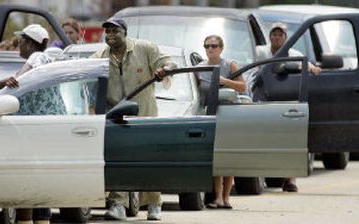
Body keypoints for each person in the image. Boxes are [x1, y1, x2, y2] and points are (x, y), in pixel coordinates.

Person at [90, 18, 176, 221]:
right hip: (117, 118)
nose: (110, 35)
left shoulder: (144, 48)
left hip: (145, 116)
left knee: (148, 161)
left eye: (115, 31)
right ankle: (117, 205)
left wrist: (165, 69)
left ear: (125, 33)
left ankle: (154, 204)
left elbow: (169, 62)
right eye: (107, 32)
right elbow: (85, 72)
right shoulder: (100, 56)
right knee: (118, 161)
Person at [0, 24, 53, 224]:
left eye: (21, 42)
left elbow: (19, 78)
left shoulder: (37, 57)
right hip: (44, 128)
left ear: (30, 43)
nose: (18, 46)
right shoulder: (47, 58)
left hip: (34, 129)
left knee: (27, 181)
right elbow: (18, 78)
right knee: (37, 183)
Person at [256, 22, 321, 193]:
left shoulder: (294, 53)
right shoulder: (259, 51)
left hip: (286, 101)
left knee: (291, 140)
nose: (277, 37)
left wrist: (313, 68)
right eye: (274, 34)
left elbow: (304, 65)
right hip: (262, 101)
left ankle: (290, 180)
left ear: (286, 38)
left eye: (280, 34)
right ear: (269, 36)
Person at [197, 35, 246, 209]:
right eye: (207, 46)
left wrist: (225, 81)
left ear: (221, 48)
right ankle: (218, 197)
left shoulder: (229, 65)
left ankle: (226, 197)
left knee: (229, 155)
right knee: (217, 156)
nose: (210, 49)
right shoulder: (198, 68)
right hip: (211, 114)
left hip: (231, 115)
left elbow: (243, 87)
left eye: (214, 46)